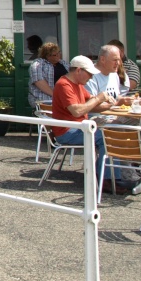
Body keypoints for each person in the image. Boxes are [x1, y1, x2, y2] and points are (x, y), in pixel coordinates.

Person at [51, 55, 128, 193]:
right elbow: (77, 111)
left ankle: (106, 176)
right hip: (67, 131)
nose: (91, 77)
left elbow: (92, 105)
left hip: (79, 127)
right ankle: (106, 179)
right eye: (89, 73)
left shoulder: (78, 85)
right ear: (78, 70)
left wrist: (113, 103)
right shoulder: (64, 85)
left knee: (112, 131)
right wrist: (98, 98)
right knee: (108, 137)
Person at [28, 41, 68, 109]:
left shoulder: (63, 63)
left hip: (63, 100)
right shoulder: (38, 64)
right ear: (47, 56)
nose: (58, 56)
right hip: (45, 100)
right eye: (55, 55)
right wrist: (55, 95)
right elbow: (39, 81)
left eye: (59, 53)